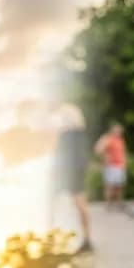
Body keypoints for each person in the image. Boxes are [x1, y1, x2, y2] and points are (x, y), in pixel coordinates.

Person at [55, 105, 93, 252]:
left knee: (59, 203)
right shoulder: (79, 135)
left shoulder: (67, 135)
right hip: (76, 170)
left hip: (69, 171)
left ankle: (58, 239)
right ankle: (86, 238)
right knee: (79, 204)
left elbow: (62, 155)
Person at [94, 123, 127, 211]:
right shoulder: (108, 139)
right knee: (109, 186)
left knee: (119, 186)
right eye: (117, 130)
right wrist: (104, 158)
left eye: (120, 131)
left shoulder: (120, 140)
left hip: (120, 166)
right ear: (113, 131)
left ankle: (119, 204)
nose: (119, 132)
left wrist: (124, 163)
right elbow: (98, 149)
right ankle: (108, 205)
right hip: (111, 166)